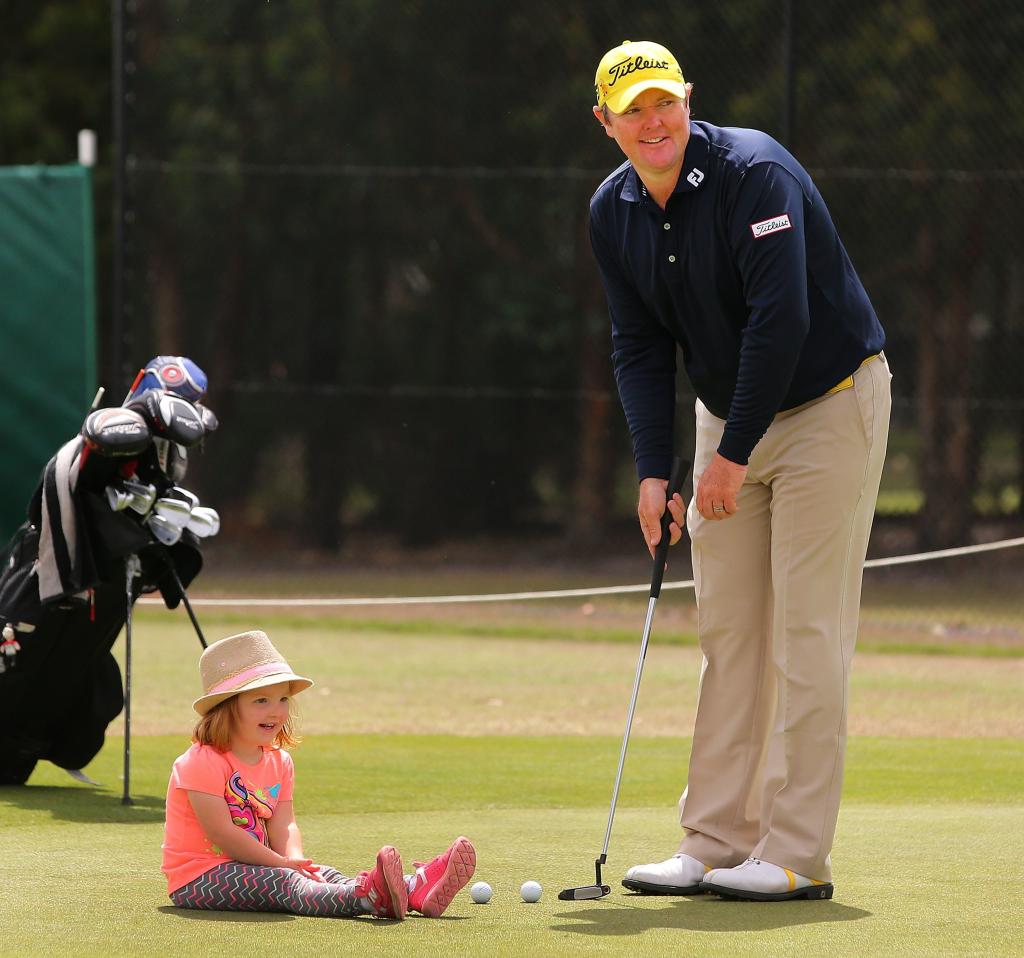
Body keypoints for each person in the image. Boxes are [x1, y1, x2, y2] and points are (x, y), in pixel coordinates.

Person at [589, 40, 891, 901]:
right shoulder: (612, 211)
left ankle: (794, 854)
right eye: (633, 109)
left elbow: (782, 321)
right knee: (730, 635)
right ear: (604, 122)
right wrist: (656, 470)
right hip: (728, 416)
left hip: (829, 402)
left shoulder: (755, 175)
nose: (654, 122)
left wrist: (731, 456)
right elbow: (639, 342)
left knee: (806, 633)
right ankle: (715, 840)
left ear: (687, 99)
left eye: (664, 102)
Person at [162, 629, 476, 919]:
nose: (276, 711)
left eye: (283, 699)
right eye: (261, 700)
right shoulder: (200, 761)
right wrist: (284, 865)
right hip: (199, 877)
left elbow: (284, 823)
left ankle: (412, 889)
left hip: (259, 866)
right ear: (226, 708)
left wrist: (296, 858)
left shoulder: (279, 761)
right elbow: (223, 834)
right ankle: (367, 899)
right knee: (285, 881)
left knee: (321, 872)